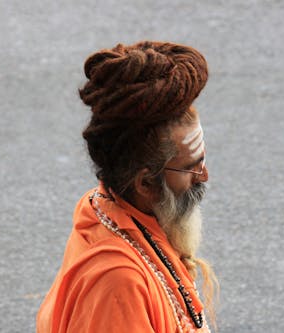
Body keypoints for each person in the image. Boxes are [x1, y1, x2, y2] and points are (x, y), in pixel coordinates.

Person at [37, 41, 219, 333]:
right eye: (190, 167)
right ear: (146, 183)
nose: (204, 175)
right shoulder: (119, 283)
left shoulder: (104, 204)